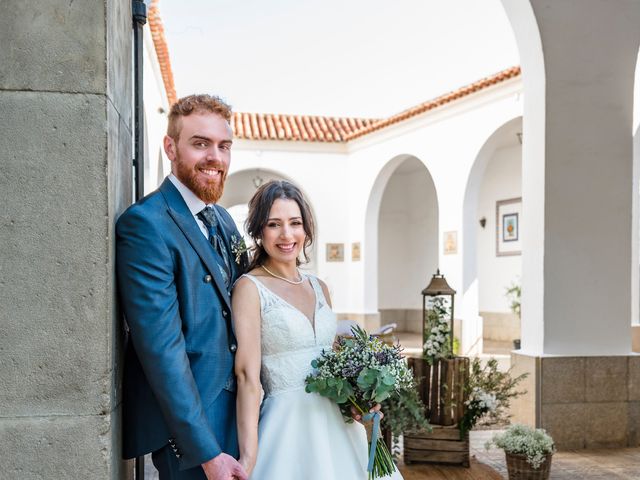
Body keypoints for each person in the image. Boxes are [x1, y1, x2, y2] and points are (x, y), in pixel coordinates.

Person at [232, 181, 403, 479]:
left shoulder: (320, 287)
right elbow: (247, 377)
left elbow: (333, 363)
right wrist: (247, 455)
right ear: (260, 231)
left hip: (339, 427)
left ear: (306, 230)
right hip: (286, 430)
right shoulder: (249, 288)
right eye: (274, 224)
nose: (287, 235)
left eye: (295, 223)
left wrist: (360, 400)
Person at [116, 94, 248, 480]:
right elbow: (162, 350)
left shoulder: (222, 219)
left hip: (241, 412)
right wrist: (205, 452)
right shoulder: (146, 224)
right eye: (201, 143)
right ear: (170, 147)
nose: (216, 158)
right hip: (191, 433)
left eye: (224, 146)